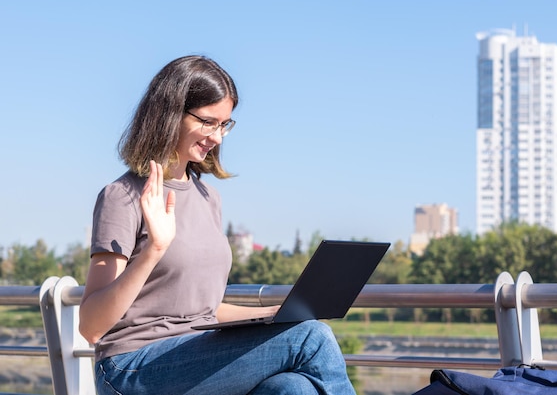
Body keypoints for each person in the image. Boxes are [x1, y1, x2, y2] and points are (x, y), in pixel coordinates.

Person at [79, 55, 356, 395]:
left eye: (225, 124)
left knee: (291, 388)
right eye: (208, 122)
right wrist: (154, 250)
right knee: (312, 338)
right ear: (170, 114)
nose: (218, 138)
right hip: (130, 367)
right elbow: (91, 327)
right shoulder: (121, 196)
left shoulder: (208, 197)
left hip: (196, 357)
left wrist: (272, 314)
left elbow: (201, 310)